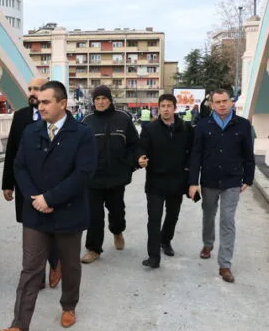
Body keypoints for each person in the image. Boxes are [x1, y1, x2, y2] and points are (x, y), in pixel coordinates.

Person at [0, 81, 97, 331]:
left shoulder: (82, 134)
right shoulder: (31, 131)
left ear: (62, 103)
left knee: (70, 264)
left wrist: (50, 198)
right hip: (35, 213)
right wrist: (36, 198)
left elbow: (83, 174)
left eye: (46, 102)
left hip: (68, 212)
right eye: (39, 102)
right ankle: (20, 325)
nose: (40, 106)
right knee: (30, 268)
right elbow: (20, 167)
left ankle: (68, 306)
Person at [188, 88, 255, 283]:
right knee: (208, 215)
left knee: (227, 220)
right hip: (209, 180)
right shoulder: (203, 125)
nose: (222, 105)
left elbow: (248, 154)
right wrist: (193, 182)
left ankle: (225, 264)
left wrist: (248, 179)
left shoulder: (243, 125)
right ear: (212, 105)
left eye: (225, 101)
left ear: (231, 102)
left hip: (232, 181)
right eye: (217, 102)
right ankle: (208, 243)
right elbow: (196, 154)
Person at [2, 77, 61, 290]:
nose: (32, 92)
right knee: (32, 228)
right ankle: (38, 274)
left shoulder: (59, 117)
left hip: (51, 185)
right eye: (30, 88)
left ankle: (55, 262)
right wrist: (7, 183)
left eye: (37, 88)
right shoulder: (21, 117)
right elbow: (12, 151)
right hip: (26, 185)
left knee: (51, 226)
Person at [81, 85, 139, 264]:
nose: (100, 102)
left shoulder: (123, 118)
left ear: (110, 100)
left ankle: (117, 231)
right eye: (97, 99)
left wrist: (132, 163)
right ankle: (94, 248)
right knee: (94, 215)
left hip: (116, 177)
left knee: (117, 211)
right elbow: (79, 147)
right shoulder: (87, 120)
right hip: (94, 178)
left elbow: (134, 144)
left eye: (103, 98)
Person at [136, 94, 193, 268]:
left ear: (175, 108)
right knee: (154, 218)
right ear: (159, 108)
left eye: (169, 106)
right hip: (155, 181)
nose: (166, 109)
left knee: (172, 216)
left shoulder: (186, 128)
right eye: (163, 106)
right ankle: (153, 257)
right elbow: (141, 147)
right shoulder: (150, 129)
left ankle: (165, 240)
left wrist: (188, 171)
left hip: (177, 181)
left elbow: (192, 151)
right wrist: (140, 158)